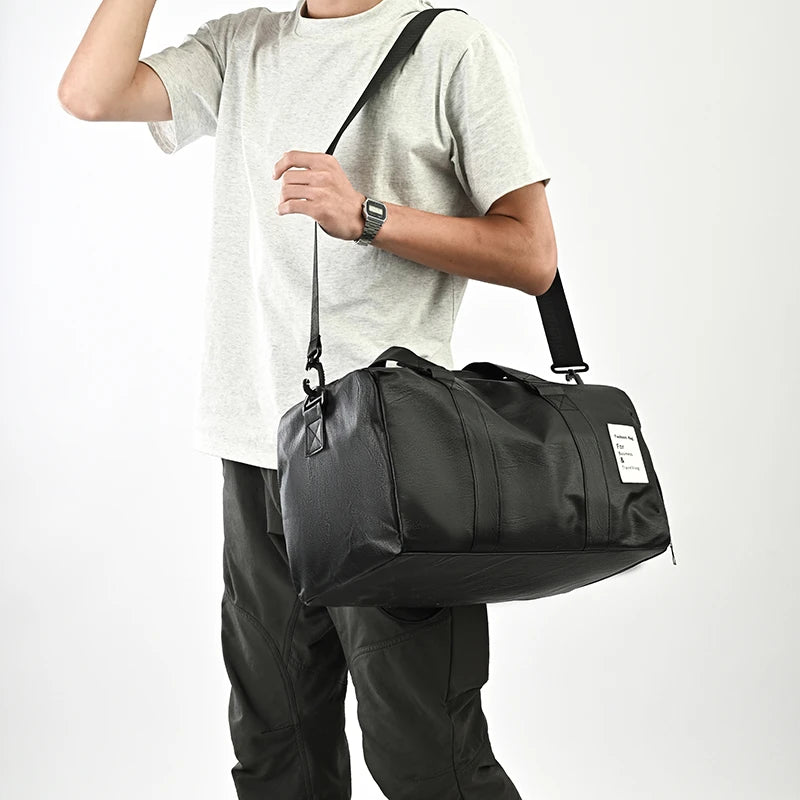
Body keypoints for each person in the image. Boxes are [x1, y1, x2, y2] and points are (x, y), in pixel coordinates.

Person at [58, 1, 556, 797]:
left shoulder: (452, 48)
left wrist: (369, 217)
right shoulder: (243, 42)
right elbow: (90, 92)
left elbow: (532, 253)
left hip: (394, 461)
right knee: (276, 753)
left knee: (429, 760)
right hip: (260, 449)